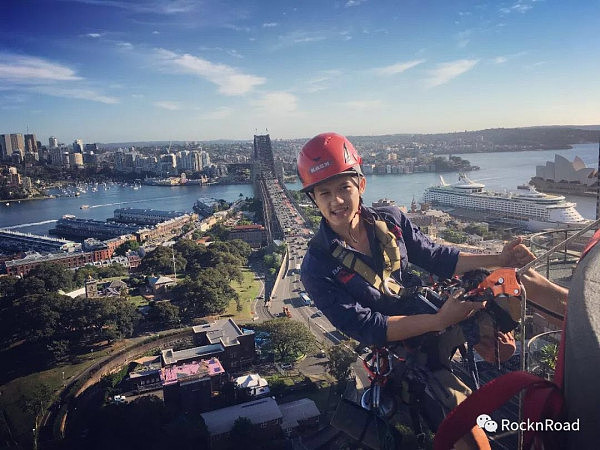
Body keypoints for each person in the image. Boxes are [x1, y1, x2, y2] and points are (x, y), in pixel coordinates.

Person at [297, 132, 563, 450]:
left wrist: (502, 259)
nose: (336, 200)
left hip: (437, 309)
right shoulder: (317, 266)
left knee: (523, 278)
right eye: (324, 192)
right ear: (313, 199)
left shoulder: (390, 221)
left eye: (344, 187)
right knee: (470, 434)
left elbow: (436, 257)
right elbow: (369, 328)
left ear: (361, 185)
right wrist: (439, 320)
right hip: (408, 349)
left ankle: (587, 332)